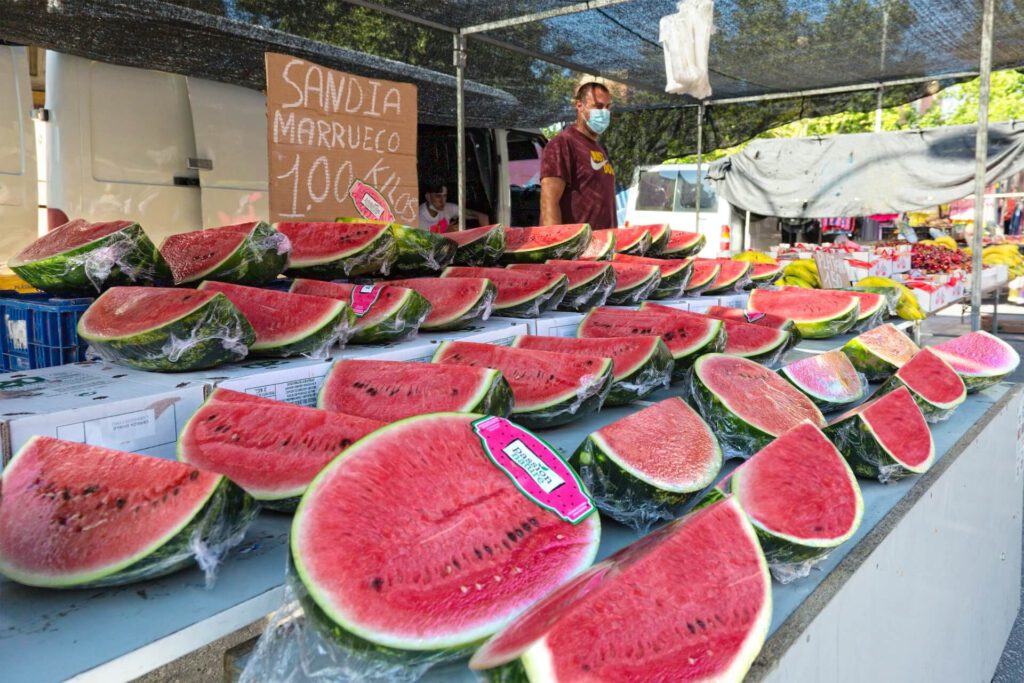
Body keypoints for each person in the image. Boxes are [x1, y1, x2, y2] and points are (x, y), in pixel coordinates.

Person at [540, 82, 617, 229]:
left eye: (608, 107)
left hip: (604, 247)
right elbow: (549, 202)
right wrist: (557, 247)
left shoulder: (600, 148)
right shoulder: (562, 144)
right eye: (598, 106)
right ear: (579, 105)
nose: (605, 112)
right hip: (579, 249)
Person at [418, 177, 489, 233]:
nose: (443, 201)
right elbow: (426, 245)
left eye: (445, 196)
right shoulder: (420, 218)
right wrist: (447, 232)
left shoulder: (448, 208)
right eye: (438, 196)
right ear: (428, 197)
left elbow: (481, 216)